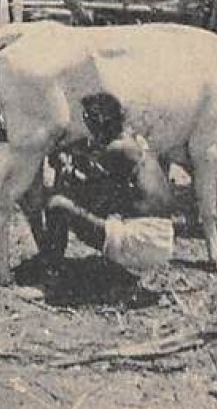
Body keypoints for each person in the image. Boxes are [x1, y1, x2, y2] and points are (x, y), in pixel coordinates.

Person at [41, 92, 175, 277]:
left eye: (90, 123)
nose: (89, 131)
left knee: (57, 205)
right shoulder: (136, 142)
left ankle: (50, 271)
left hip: (143, 240)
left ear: (101, 122)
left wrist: (65, 170)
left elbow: (91, 196)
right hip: (162, 237)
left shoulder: (118, 149)